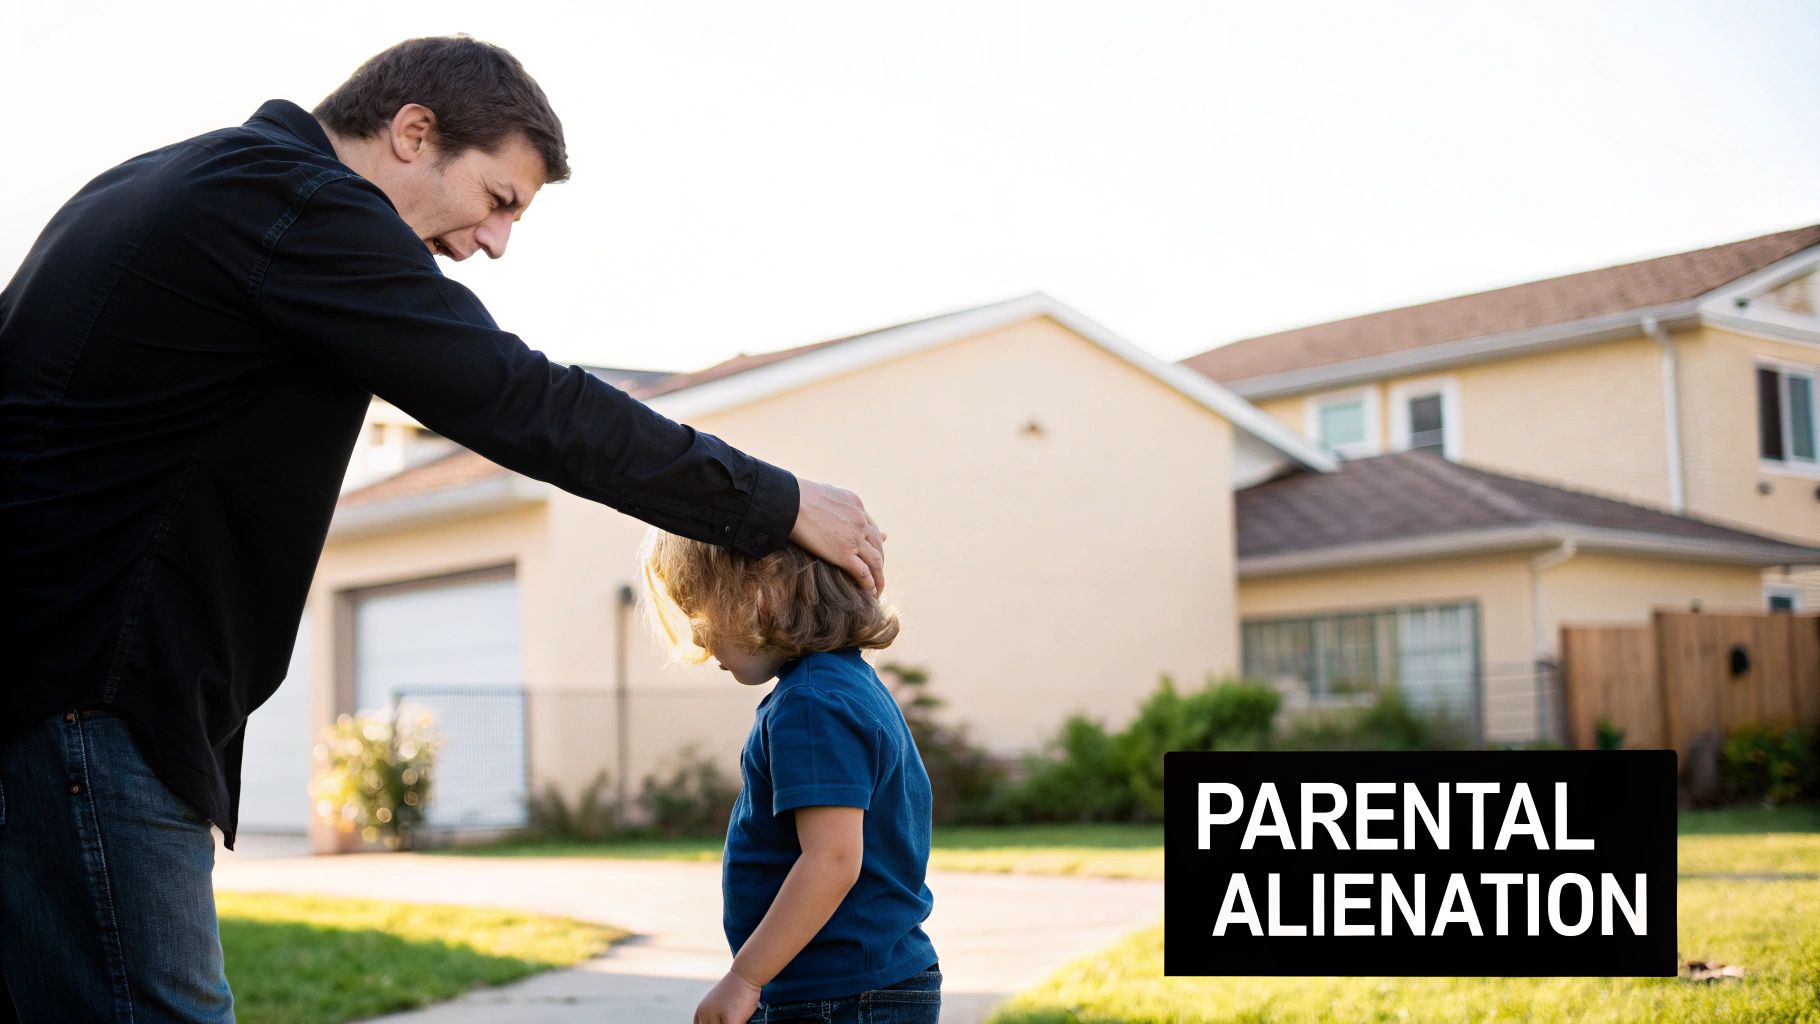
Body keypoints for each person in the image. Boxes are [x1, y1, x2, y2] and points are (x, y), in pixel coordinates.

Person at [0, 34, 886, 1023]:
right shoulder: (301, 208)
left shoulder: (175, 181)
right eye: (498, 201)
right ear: (413, 132)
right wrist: (774, 501)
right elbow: (518, 398)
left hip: (47, 690)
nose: (491, 244)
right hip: (93, 699)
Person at [637, 528, 940, 1024]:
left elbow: (834, 858)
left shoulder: (812, 703)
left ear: (768, 588)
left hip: (840, 997)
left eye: (699, 607)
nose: (696, 633)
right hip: (857, 987)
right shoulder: (843, 683)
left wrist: (744, 979)